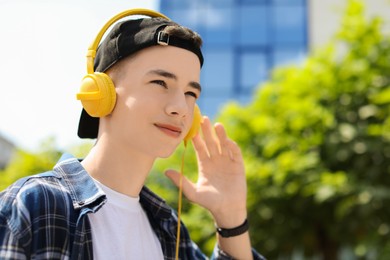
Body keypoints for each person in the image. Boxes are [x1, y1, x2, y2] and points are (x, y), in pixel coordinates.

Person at [0, 9, 265, 260]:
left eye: (190, 93)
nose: (180, 108)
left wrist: (231, 217)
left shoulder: (168, 228)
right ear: (101, 93)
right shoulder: (35, 204)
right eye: (160, 83)